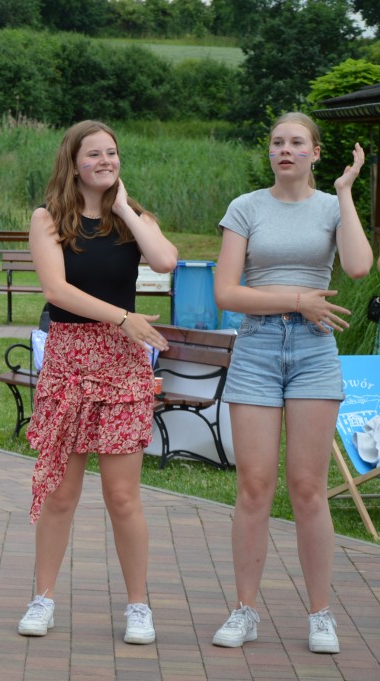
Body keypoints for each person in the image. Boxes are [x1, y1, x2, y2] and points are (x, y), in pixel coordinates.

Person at [211, 112, 372, 654]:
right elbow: (227, 294)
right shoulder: (246, 207)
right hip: (256, 347)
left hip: (313, 352)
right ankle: (244, 610)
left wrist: (346, 193)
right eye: (278, 142)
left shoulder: (331, 207)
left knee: (307, 489)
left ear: (316, 153)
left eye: (296, 143)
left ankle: (320, 614)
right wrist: (295, 300)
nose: (285, 150)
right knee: (254, 487)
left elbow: (356, 266)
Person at [18, 121, 177, 644]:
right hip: (69, 360)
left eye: (113, 153)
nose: (105, 161)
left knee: (123, 496)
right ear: (73, 161)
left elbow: (165, 261)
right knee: (61, 493)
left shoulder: (133, 218)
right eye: (94, 154)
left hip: (124, 368)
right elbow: (56, 290)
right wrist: (122, 318)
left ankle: (138, 606)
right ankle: (42, 599)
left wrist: (127, 208)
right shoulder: (49, 219)